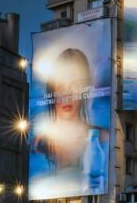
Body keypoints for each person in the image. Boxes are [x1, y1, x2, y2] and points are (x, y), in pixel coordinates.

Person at [32, 48, 108, 189]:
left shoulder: (102, 137)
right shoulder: (38, 145)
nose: (67, 95)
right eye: (61, 87)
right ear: (52, 90)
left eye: (75, 86)